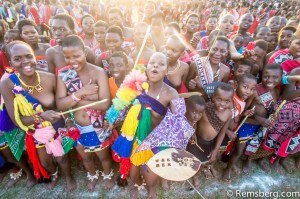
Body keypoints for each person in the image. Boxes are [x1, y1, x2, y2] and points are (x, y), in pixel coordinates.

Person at [1, 41, 76, 191]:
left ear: (35, 57)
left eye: (29, 56)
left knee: (62, 158)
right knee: (45, 162)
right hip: (34, 129)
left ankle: (68, 176)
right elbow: (16, 120)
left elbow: (62, 105)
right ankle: (54, 174)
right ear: (10, 62)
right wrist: (41, 117)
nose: (25, 62)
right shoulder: (7, 84)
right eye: (18, 59)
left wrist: (67, 121)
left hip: (56, 124)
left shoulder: (50, 78)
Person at [111, 52, 179, 198]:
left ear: (166, 71)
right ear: (146, 68)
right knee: (133, 173)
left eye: (161, 64)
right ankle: (135, 185)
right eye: (152, 63)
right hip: (135, 138)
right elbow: (120, 107)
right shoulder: (135, 85)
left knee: (151, 177)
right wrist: (111, 120)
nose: (156, 65)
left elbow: (179, 120)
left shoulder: (171, 93)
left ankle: (152, 190)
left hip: (156, 141)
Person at [56, 35, 114, 191]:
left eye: (76, 55)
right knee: (86, 157)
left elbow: (104, 104)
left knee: (103, 157)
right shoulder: (63, 74)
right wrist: (82, 92)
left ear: (84, 52)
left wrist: (73, 99)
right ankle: (93, 176)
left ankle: (107, 175)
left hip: (98, 125)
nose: (72, 60)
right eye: (67, 57)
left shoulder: (98, 72)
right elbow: (60, 104)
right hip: (77, 127)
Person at [243, 64, 283, 174]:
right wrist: (259, 118)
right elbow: (245, 111)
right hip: (252, 122)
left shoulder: (276, 91)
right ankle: (248, 160)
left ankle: (255, 159)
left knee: (261, 143)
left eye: (275, 77)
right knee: (250, 143)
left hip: (265, 124)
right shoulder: (255, 90)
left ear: (281, 77)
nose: (270, 80)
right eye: (266, 76)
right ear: (261, 76)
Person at [187, 84, 233, 179]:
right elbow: (196, 122)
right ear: (213, 97)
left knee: (209, 158)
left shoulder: (228, 113)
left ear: (231, 101)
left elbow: (222, 132)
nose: (222, 104)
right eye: (219, 99)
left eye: (227, 101)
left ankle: (207, 168)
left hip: (212, 142)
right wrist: (193, 133)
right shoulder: (205, 108)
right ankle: (194, 175)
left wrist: (216, 149)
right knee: (194, 159)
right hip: (197, 139)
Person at [222, 74, 257, 181]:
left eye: (251, 89)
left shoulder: (243, 101)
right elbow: (220, 118)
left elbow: (236, 115)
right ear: (236, 84)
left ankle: (229, 165)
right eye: (245, 87)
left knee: (229, 149)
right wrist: (227, 131)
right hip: (223, 132)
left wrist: (244, 114)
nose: (248, 92)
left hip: (233, 131)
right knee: (219, 151)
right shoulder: (231, 100)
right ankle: (210, 166)